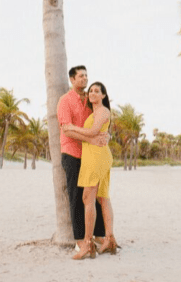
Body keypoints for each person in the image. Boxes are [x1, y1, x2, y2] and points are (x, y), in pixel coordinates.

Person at [62, 81, 119, 260]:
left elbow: (94, 131)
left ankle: (87, 244)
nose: (93, 93)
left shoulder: (103, 111)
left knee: (88, 198)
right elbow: (92, 134)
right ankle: (109, 239)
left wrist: (71, 127)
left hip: (96, 158)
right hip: (95, 156)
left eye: (97, 91)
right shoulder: (95, 112)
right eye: (91, 91)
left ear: (103, 95)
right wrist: (79, 132)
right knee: (102, 198)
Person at [57, 66, 107, 247]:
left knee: (95, 196)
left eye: (86, 75)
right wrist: (92, 138)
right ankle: (80, 240)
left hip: (90, 155)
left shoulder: (91, 99)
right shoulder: (65, 101)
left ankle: (99, 234)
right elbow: (67, 130)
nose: (85, 79)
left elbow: (101, 120)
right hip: (71, 154)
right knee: (77, 197)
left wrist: (105, 135)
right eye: (80, 76)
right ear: (72, 79)